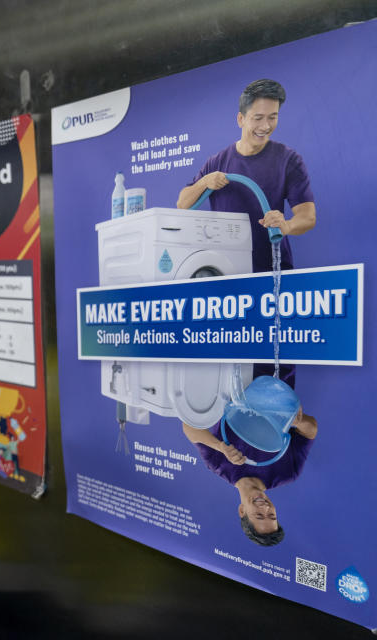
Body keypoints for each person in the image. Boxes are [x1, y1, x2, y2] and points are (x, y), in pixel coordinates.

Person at [176, 79, 317, 386]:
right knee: (229, 370)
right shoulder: (218, 163)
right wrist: (204, 183)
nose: (266, 125)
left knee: (274, 367)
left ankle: (274, 425)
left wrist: (287, 224)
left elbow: (307, 216)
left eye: (273, 117)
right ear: (241, 119)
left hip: (272, 280)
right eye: (258, 118)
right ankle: (231, 427)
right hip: (226, 282)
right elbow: (183, 204)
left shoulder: (288, 160)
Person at [182, 408, 317, 546]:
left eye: (259, 515)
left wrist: (220, 446)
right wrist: (297, 420)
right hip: (277, 389)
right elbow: (311, 429)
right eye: (272, 515)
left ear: (242, 510)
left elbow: (188, 426)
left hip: (231, 388)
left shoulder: (218, 465)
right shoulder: (287, 473)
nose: (265, 508)